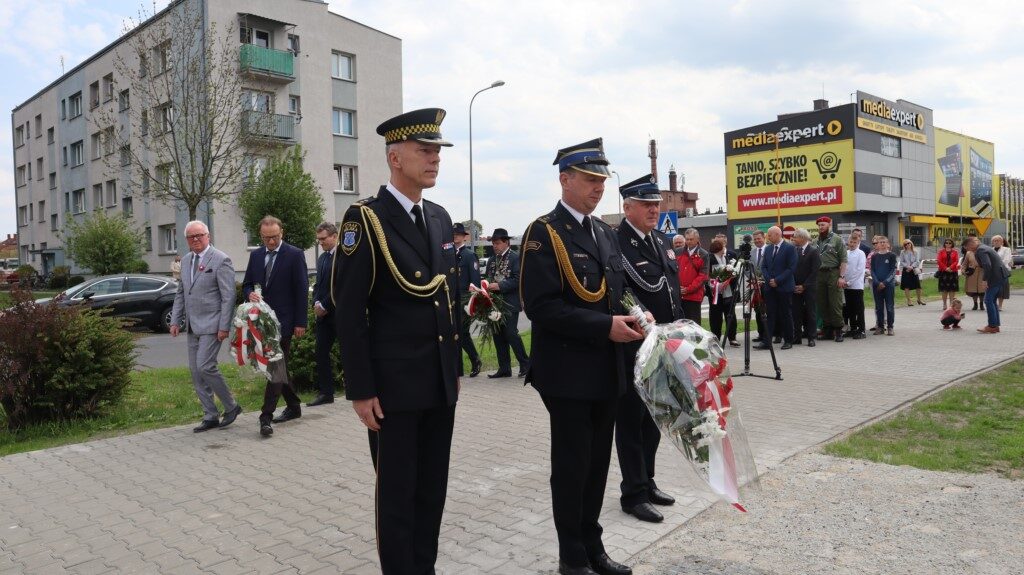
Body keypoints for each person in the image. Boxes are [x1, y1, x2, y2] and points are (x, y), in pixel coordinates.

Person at [332, 108, 460, 574]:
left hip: (438, 382)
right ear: (395, 158)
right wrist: (361, 389)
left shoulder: (440, 218)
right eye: (425, 151)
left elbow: (447, 298)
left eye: (438, 152)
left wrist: (452, 370)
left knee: (432, 491)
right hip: (394, 389)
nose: (435, 159)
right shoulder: (365, 219)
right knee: (398, 497)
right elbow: (350, 312)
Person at [520, 137, 642, 575]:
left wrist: (637, 315)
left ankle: (593, 547)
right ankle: (571, 556)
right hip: (568, 373)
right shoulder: (544, 232)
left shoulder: (604, 232)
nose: (599, 187)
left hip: (607, 370)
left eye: (602, 180)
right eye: (590, 179)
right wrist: (603, 326)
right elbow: (541, 307)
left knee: (597, 465)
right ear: (565, 180)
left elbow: (616, 292)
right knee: (573, 466)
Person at [613, 173, 681, 525]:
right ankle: (633, 493)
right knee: (631, 422)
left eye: (656, 204)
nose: (654, 209)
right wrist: (642, 321)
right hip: (634, 347)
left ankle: (648, 480)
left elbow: (672, 291)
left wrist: (681, 333)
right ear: (627, 208)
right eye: (646, 204)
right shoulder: (615, 243)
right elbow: (617, 293)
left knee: (654, 419)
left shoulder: (661, 241)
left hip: (663, 346)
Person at [169, 221, 242, 432]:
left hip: (213, 324)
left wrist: (224, 326)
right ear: (186, 240)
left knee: (205, 366)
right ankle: (210, 415)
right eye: (191, 237)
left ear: (208, 236)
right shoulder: (185, 260)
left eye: (199, 235)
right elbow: (181, 293)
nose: (196, 239)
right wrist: (175, 320)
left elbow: (228, 296)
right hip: (193, 325)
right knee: (196, 372)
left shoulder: (221, 259)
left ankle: (231, 406)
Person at [242, 215, 309, 437]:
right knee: (280, 367)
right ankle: (294, 405)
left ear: (282, 233)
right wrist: (249, 293)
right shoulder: (256, 255)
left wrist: (301, 322)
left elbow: (301, 290)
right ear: (260, 236)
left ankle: (266, 417)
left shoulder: (294, 254)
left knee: (274, 367)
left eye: (275, 237)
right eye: (266, 238)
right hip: (262, 321)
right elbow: (247, 283)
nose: (271, 242)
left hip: (285, 321)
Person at [485, 227, 531, 378]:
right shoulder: (492, 259)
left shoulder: (515, 258)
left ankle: (525, 364)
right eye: (493, 243)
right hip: (494, 303)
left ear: (506, 242)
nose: (495, 246)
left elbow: (518, 279)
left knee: (511, 334)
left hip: (510, 302)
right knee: (497, 335)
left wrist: (499, 286)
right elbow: (488, 278)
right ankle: (504, 368)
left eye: (498, 243)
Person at [308, 222, 339, 407]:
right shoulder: (322, 258)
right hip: (323, 315)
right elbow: (318, 284)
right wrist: (315, 303)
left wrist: (326, 304)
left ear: (334, 236)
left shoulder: (344, 256)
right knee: (321, 352)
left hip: (339, 313)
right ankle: (326, 393)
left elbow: (341, 285)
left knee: (350, 353)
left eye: (323, 239)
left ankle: (357, 389)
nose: (320, 243)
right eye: (318, 239)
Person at [757, 226, 797, 350]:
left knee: (786, 314)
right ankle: (766, 341)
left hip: (784, 287)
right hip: (770, 287)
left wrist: (778, 280)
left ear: (777, 234)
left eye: (770, 235)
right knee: (770, 314)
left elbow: (791, 268)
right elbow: (763, 266)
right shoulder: (768, 249)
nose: (768, 237)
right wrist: (769, 279)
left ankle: (788, 340)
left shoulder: (790, 248)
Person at [453, 223, 483, 378]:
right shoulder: (448, 253)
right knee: (454, 333)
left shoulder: (469, 255)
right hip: (451, 299)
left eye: (458, 234)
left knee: (462, 332)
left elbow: (475, 280)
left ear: (464, 237)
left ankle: (475, 359)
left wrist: (473, 301)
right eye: (453, 234)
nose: (455, 236)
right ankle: (458, 367)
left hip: (465, 300)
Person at [966, 236, 1010, 334]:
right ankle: (995, 326)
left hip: (995, 278)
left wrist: (984, 280)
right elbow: (988, 263)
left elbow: (987, 265)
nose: (968, 250)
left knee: (988, 300)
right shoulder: (984, 248)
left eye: (967, 247)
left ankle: (992, 326)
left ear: (971, 244)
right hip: (1001, 276)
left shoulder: (980, 250)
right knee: (992, 301)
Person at [813, 216, 847, 342]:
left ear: (829, 225)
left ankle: (838, 330)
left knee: (835, 303)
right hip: (819, 274)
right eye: (819, 225)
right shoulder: (815, 241)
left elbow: (843, 260)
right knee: (822, 303)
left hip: (833, 272)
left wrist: (841, 277)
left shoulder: (837, 239)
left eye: (823, 225)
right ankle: (827, 329)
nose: (821, 227)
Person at [707, 238, 739, 347]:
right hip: (715, 293)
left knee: (730, 315)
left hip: (728, 291)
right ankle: (716, 337)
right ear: (719, 248)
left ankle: (732, 337)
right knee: (715, 316)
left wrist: (731, 276)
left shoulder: (727, 257)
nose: (724, 249)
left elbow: (733, 271)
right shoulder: (710, 258)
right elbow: (707, 274)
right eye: (723, 247)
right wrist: (715, 284)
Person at [791, 229, 820, 347]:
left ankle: (811, 337)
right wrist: (793, 284)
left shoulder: (813, 251)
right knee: (796, 313)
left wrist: (804, 286)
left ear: (802, 238)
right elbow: (791, 268)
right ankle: (797, 337)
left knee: (810, 312)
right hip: (795, 287)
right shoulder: (794, 250)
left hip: (809, 288)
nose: (793, 239)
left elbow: (815, 271)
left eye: (795, 237)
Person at [677, 228, 709, 324]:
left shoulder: (703, 254)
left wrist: (688, 289)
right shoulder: (678, 252)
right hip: (678, 296)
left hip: (694, 297)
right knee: (679, 325)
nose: (689, 242)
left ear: (697, 239)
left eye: (691, 239)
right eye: (687, 239)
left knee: (693, 324)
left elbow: (703, 276)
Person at [870, 236, 898, 336]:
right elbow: (872, 271)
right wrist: (877, 282)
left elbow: (893, 270)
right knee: (879, 307)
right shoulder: (874, 256)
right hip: (877, 285)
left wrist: (885, 282)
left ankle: (890, 327)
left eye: (884, 242)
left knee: (889, 306)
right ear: (877, 244)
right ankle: (880, 327)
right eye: (880, 242)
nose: (882, 244)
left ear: (887, 244)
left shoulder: (892, 255)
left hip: (888, 285)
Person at [843, 234, 867, 339]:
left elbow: (859, 270)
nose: (852, 244)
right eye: (851, 242)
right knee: (849, 309)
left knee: (859, 309)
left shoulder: (861, 253)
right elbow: (844, 267)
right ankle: (853, 329)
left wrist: (849, 282)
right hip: (846, 286)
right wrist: (843, 280)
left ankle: (861, 330)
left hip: (856, 286)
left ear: (858, 243)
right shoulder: (846, 253)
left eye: (854, 242)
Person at [749, 230, 768, 342]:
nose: (757, 241)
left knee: (768, 311)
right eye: (755, 239)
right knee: (757, 310)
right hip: (755, 286)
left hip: (767, 285)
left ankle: (770, 334)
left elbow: (772, 267)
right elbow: (748, 269)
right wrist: (754, 278)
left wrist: (763, 279)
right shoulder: (752, 252)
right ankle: (761, 334)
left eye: (759, 238)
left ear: (764, 238)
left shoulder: (769, 250)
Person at [899, 239, 925, 306]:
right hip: (906, 270)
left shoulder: (915, 252)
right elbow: (901, 262)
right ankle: (909, 301)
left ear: (911, 243)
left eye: (908, 243)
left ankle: (919, 299)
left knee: (918, 286)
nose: (907, 245)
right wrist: (908, 266)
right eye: (905, 244)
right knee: (906, 286)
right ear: (904, 245)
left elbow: (917, 261)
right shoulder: (902, 252)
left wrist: (911, 267)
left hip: (914, 270)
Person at [936, 238, 960, 310]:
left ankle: (951, 305)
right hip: (943, 272)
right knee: (944, 289)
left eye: (950, 243)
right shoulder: (941, 252)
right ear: (944, 244)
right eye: (946, 243)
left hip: (953, 272)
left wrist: (950, 268)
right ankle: (944, 304)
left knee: (952, 289)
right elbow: (939, 261)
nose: (948, 244)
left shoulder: (955, 252)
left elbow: (956, 261)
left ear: (952, 244)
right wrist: (945, 268)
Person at [991, 235, 1012, 311]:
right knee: (993, 288)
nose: (996, 242)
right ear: (992, 242)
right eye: (994, 241)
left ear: (1002, 242)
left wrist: (995, 265)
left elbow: (1006, 260)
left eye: (998, 240)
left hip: (1002, 271)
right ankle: (994, 304)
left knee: (1002, 289)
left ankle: (1000, 306)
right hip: (993, 272)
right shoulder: (991, 250)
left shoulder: (1006, 249)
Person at [962, 243, 984, 311]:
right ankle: (975, 304)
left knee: (982, 289)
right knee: (973, 290)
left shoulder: (983, 252)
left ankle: (981, 304)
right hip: (972, 272)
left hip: (982, 272)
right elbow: (965, 263)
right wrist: (963, 270)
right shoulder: (968, 253)